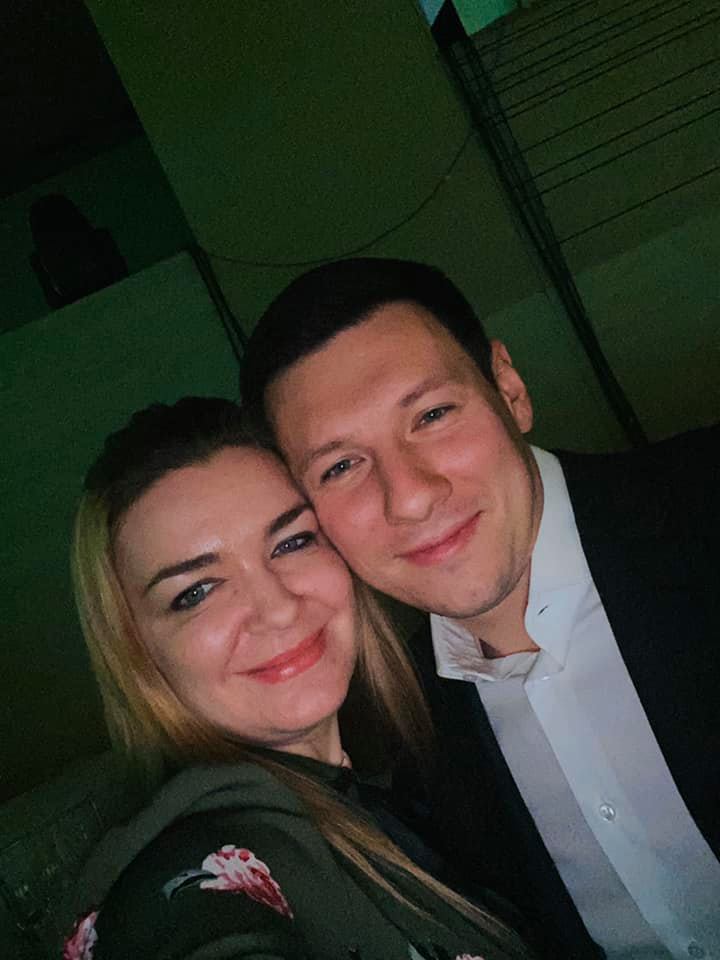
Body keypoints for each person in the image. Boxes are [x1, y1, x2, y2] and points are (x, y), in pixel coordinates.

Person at [240, 257, 720, 960]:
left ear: (509, 390)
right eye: (340, 466)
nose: (410, 497)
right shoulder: (385, 738)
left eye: (432, 415)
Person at [62, 396, 534, 960]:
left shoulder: (423, 766)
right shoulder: (189, 882)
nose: (279, 608)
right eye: (196, 592)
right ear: (138, 652)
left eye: (292, 542)